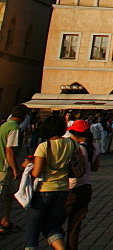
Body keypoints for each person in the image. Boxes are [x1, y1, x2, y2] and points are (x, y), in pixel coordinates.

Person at [24, 115, 74, 250]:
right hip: (62, 189)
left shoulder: (44, 146)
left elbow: (36, 172)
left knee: (32, 230)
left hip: (43, 190)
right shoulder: (71, 143)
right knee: (52, 226)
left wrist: (27, 165)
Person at [63, 120, 99, 250]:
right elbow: (95, 167)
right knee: (75, 226)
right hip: (86, 187)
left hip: (71, 188)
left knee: (55, 223)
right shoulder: (94, 146)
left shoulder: (75, 147)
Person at [0, 104, 26, 236]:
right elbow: (9, 150)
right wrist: (15, 168)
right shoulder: (14, 128)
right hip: (4, 168)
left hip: (4, 167)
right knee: (2, 193)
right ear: (24, 117)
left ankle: (5, 221)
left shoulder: (4, 125)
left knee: (9, 194)